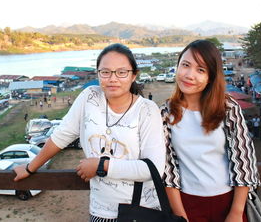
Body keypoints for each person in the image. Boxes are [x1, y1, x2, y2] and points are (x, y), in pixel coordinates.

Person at [14, 43, 166, 221]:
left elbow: (153, 168)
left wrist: (101, 166)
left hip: (140, 211)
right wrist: (30, 168)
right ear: (98, 74)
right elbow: (62, 136)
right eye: (105, 72)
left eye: (122, 72)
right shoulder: (89, 97)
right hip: (100, 211)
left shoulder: (147, 110)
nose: (113, 78)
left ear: (134, 75)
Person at [162, 40, 260, 222]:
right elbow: (168, 168)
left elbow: (243, 160)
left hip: (228, 201)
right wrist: (180, 215)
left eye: (201, 70)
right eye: (185, 65)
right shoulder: (166, 112)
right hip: (186, 202)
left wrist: (236, 212)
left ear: (211, 76)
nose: (190, 75)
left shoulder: (228, 107)